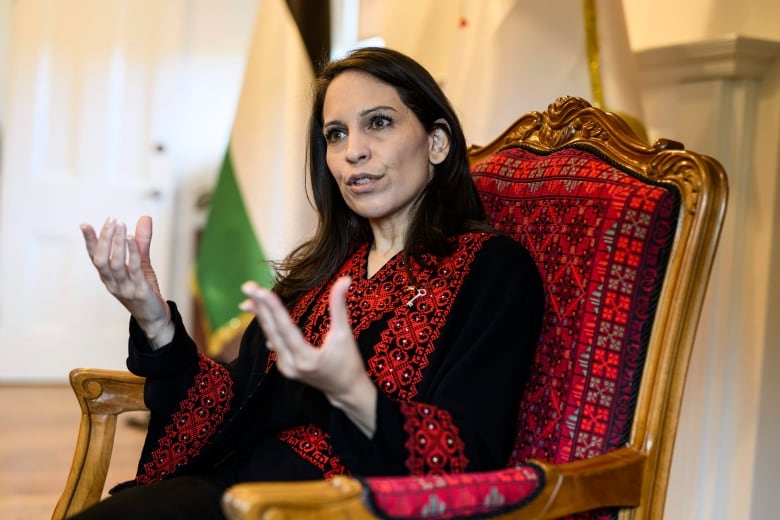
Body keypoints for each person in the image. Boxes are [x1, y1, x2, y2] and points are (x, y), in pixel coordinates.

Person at [72, 47, 544, 519]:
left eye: (378, 122)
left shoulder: (492, 270)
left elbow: (472, 460)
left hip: (328, 509)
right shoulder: (321, 270)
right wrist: (155, 321)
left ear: (437, 142)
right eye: (335, 134)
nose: (353, 150)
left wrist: (352, 393)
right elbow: (231, 404)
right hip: (235, 490)